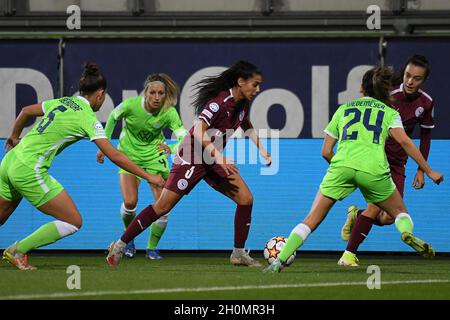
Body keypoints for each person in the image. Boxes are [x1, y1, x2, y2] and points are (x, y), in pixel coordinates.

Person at [264, 66, 443, 273]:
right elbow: (405, 142)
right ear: (386, 92)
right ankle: (406, 233)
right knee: (399, 212)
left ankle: (279, 261)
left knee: (312, 218)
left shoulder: (343, 110)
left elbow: (325, 151)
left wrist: (342, 167)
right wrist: (428, 170)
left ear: (361, 88)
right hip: (374, 169)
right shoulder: (389, 113)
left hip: (342, 167)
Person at [106, 60, 272, 267]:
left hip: (211, 160)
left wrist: (262, 149)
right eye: (255, 84)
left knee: (246, 199)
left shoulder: (242, 104)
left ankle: (238, 254)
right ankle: (120, 244)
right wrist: (219, 157)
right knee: (162, 207)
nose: (258, 89)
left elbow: (245, 124)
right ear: (240, 81)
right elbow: (199, 130)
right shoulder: (219, 103)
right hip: (192, 157)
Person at [0, 62, 164, 270]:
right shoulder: (87, 116)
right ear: (100, 94)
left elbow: (25, 111)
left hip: (10, 161)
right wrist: (149, 177)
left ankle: (17, 251)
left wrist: (14, 136)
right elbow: (113, 154)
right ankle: (18, 250)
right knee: (72, 221)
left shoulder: (62, 102)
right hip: (28, 169)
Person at [339, 55, 436, 265]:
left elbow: (425, 136)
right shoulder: (388, 92)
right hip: (377, 157)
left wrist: (421, 169)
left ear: (424, 80)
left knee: (388, 217)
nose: (410, 81)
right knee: (376, 207)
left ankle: (357, 215)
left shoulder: (426, 103)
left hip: (398, 163)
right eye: (408, 76)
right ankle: (348, 255)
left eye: (417, 79)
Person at [97, 73, 187, 260]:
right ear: (145, 93)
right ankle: (128, 239)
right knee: (130, 203)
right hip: (128, 155)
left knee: (164, 206)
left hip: (155, 157)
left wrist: (171, 148)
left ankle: (151, 248)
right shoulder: (131, 105)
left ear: (165, 94)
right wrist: (104, 144)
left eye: (161, 93)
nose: (157, 97)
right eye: (152, 92)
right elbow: (113, 116)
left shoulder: (169, 112)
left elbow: (184, 138)